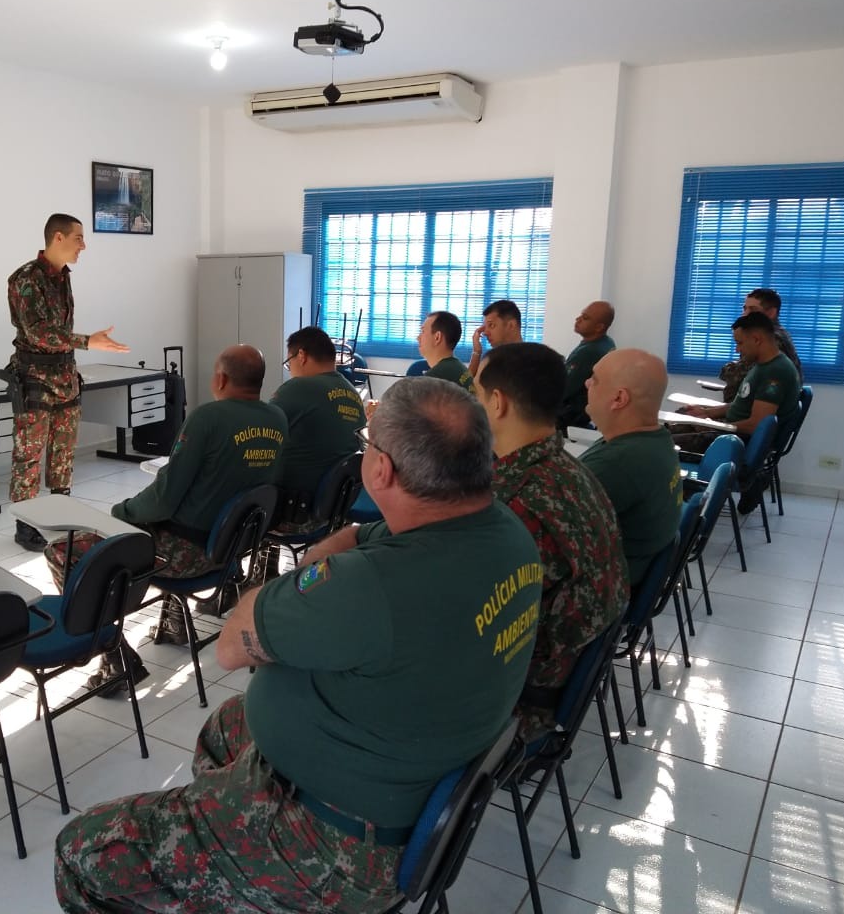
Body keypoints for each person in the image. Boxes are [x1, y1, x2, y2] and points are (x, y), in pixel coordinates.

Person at [53, 377, 544, 914]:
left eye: (367, 445)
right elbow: (358, 539)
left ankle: (237, 865)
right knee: (227, 725)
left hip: (333, 847)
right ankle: (220, 878)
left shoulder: (371, 586)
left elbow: (233, 648)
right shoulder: (502, 532)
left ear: (380, 470)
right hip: (401, 775)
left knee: (81, 851)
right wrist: (325, 570)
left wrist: (307, 581)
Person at [43, 345, 288, 692]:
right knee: (175, 520)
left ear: (220, 378)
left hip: (183, 556)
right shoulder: (277, 419)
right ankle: (173, 622)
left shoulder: (208, 418)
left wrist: (121, 513)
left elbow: (163, 499)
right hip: (231, 550)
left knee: (63, 550)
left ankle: (114, 656)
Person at [476, 343, 629, 739]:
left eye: (475, 391)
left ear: (497, 402)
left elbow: (463, 613)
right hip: (561, 677)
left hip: (520, 704)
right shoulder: (571, 471)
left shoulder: (515, 502)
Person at [7, 213, 129, 551]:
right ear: (57, 238)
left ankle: (60, 513)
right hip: (34, 377)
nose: (83, 245)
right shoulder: (25, 279)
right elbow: (38, 332)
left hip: (64, 376)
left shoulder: (63, 277)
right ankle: (26, 522)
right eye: (78, 238)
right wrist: (89, 341)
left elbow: (57, 332)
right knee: (29, 454)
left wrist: (82, 347)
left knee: (62, 453)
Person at [580, 349, 683, 586]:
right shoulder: (656, 440)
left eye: (594, 378)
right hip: (626, 574)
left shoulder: (618, 464)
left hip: (601, 594)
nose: (586, 383)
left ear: (619, 398)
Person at [271, 326, 366, 527]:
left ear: (302, 356)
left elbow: (261, 433)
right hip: (335, 510)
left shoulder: (298, 388)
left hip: (293, 510)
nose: (291, 371)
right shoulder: (354, 394)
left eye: (290, 363)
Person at [674, 311, 802, 454]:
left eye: (740, 343)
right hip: (730, 431)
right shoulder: (763, 365)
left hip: (735, 441)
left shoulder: (775, 372)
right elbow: (740, 405)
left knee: (663, 444)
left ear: (756, 339)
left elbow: (757, 425)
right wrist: (705, 412)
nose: (737, 349)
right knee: (680, 417)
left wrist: (714, 426)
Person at [718, 288, 803, 401]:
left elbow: (741, 375)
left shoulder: (771, 339)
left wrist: (728, 368)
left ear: (771, 313)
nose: (745, 314)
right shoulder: (777, 334)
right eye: (744, 308)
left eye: (752, 309)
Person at [558, 300, 616, 430]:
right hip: (586, 414)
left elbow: (564, 389)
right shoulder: (607, 342)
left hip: (570, 417)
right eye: (581, 315)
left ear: (599, 327)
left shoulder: (589, 351)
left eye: (585, 318)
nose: (578, 319)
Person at [416, 310, 475, 392]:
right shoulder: (458, 368)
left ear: (437, 337)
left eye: (423, 331)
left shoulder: (435, 378)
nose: (418, 338)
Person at [467, 298, 523, 377]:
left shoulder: (531, 362)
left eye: (491, 325)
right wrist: (476, 352)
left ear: (511, 325)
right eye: (485, 327)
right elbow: (465, 384)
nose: (485, 332)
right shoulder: (491, 360)